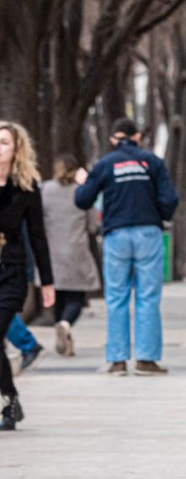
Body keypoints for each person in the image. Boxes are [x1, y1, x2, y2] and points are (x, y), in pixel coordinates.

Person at [75, 117, 178, 376]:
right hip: (148, 232)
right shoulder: (152, 162)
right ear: (137, 137)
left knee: (117, 297)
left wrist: (83, 182)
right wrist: (157, 212)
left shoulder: (105, 163)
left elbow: (83, 200)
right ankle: (146, 359)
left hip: (116, 235)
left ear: (113, 139)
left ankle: (117, 360)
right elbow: (170, 199)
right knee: (148, 297)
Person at [0, 121, 55, 430]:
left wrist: (47, 282)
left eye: (4, 142)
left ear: (16, 148)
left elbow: (38, 236)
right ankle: (11, 401)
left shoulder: (27, 187)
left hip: (12, 273)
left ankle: (10, 402)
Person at [42, 153, 101, 356]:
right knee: (75, 297)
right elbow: (93, 226)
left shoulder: (45, 190)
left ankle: (63, 331)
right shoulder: (82, 192)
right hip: (76, 251)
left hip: (51, 253)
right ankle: (66, 325)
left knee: (58, 296)